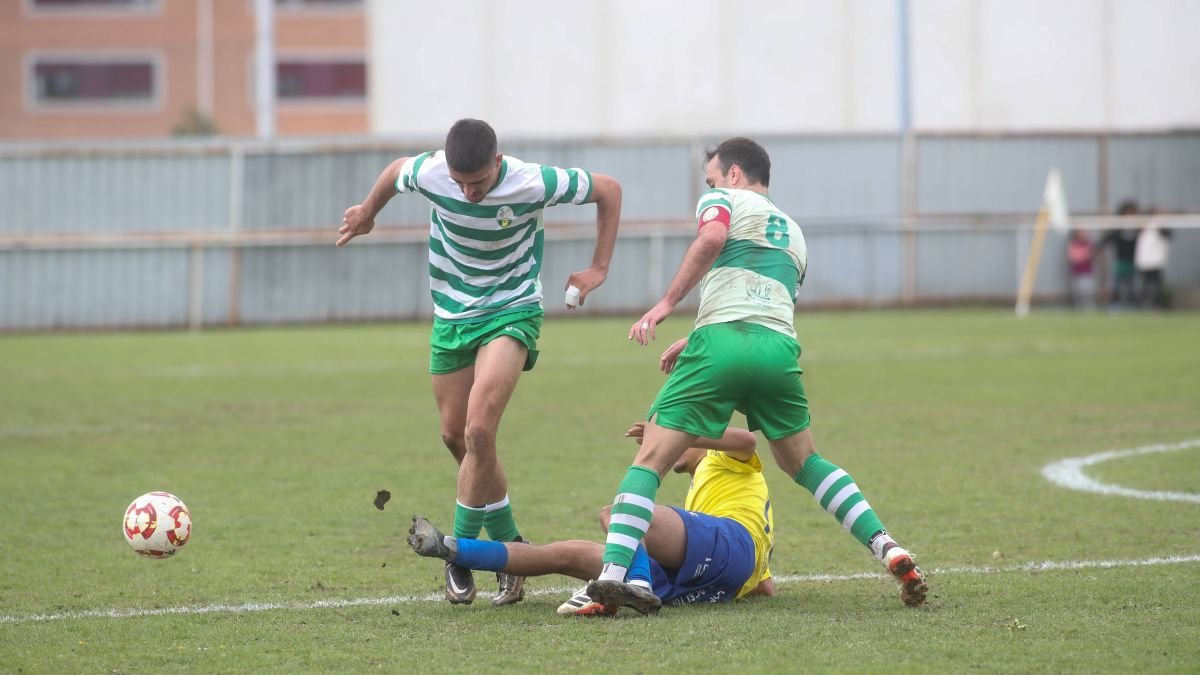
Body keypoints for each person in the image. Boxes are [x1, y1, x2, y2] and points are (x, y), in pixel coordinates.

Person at [587, 137, 928, 614]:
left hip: (722, 344)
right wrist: (699, 335)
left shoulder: (721, 199)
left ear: (732, 174)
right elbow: (762, 298)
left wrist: (667, 305)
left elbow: (711, 240)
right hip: (776, 348)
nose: (707, 186)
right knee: (804, 462)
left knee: (650, 461)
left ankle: (612, 576)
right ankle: (886, 545)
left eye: (710, 178)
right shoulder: (795, 233)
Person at [339, 119, 621, 607]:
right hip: (451, 316)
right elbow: (394, 172)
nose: (468, 193)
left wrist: (598, 267)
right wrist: (367, 212)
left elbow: (609, 190)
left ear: (498, 162)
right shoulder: (431, 172)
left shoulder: (532, 181)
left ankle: (461, 556)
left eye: (479, 183)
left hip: (512, 312)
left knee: (478, 432)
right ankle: (513, 550)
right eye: (459, 182)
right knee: (457, 437)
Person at [407, 423, 775, 616]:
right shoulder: (704, 493)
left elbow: (747, 441)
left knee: (620, 514)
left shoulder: (721, 458)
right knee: (566, 555)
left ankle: (639, 583)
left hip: (729, 543)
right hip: (705, 583)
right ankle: (453, 549)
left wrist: (675, 432)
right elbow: (764, 588)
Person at [1099, 200, 1140, 311]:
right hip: (1120, 261)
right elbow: (1107, 239)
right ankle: (1114, 305)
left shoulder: (1138, 229)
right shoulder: (1118, 229)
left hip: (1132, 261)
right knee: (1117, 285)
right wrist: (1098, 248)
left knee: (1131, 285)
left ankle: (1131, 305)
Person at [1135, 208, 1172, 310]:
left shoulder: (1161, 226)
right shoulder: (1144, 226)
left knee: (1156, 284)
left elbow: (1168, 235)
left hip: (1156, 261)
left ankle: (1155, 304)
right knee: (1146, 283)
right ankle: (1145, 304)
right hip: (1145, 261)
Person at [1067, 228, 1096, 311]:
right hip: (1076, 272)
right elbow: (1073, 257)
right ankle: (1078, 309)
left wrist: (1081, 256)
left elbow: (1090, 255)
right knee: (1077, 293)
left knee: (1087, 292)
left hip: (1087, 272)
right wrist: (1083, 255)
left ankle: (1089, 309)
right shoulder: (1073, 243)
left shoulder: (1088, 243)